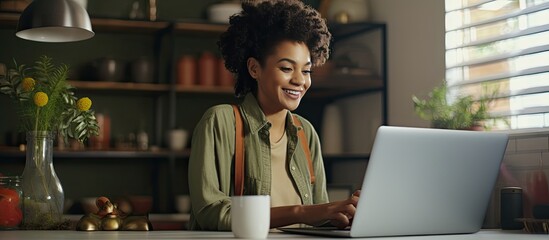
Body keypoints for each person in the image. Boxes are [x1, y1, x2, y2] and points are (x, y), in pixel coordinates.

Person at [188, 0, 359, 231]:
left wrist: (345, 213)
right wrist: (303, 212)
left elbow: (318, 215)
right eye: (287, 68)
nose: (300, 80)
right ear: (254, 68)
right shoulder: (221, 122)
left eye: (306, 70)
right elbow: (210, 212)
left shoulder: (306, 132)